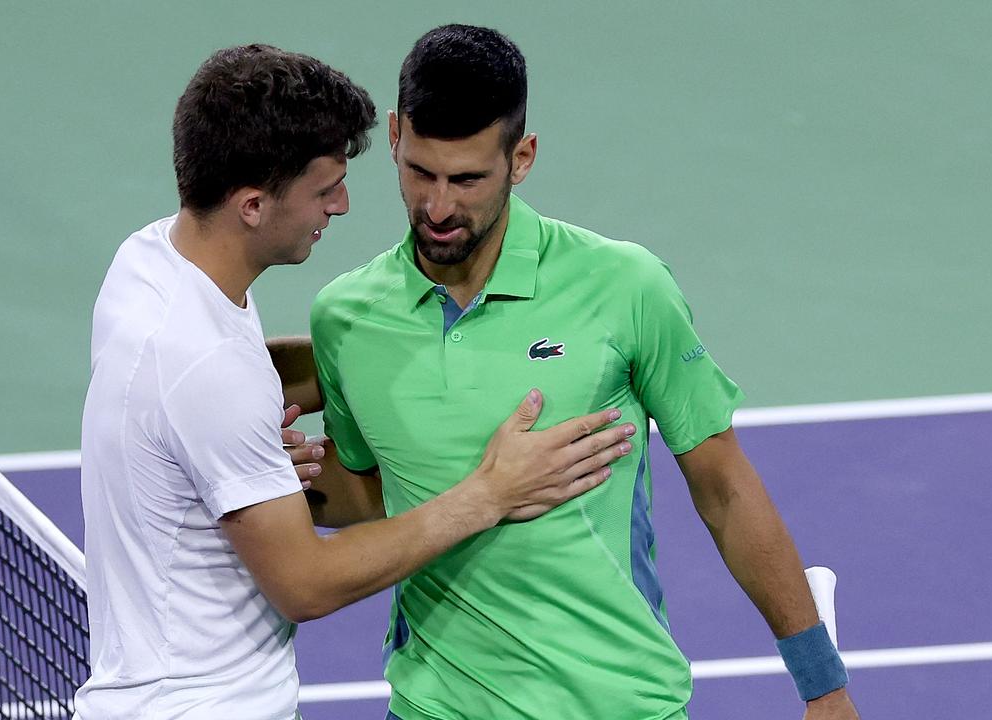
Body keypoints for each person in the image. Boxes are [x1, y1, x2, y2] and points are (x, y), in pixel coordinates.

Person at [302, 25, 860, 720]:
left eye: (468, 179)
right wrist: (252, 472)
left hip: (617, 703)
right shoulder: (346, 319)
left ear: (522, 157)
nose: (439, 207)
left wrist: (824, 687)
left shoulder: (625, 287)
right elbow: (371, 489)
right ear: (393, 137)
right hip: (433, 706)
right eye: (420, 172)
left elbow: (725, 490)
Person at [73, 43, 636, 720]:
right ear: (253, 204)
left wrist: (383, 354)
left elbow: (211, 387)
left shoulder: (150, 263)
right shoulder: (208, 372)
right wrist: (489, 494)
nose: (340, 205)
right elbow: (304, 586)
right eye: (324, 189)